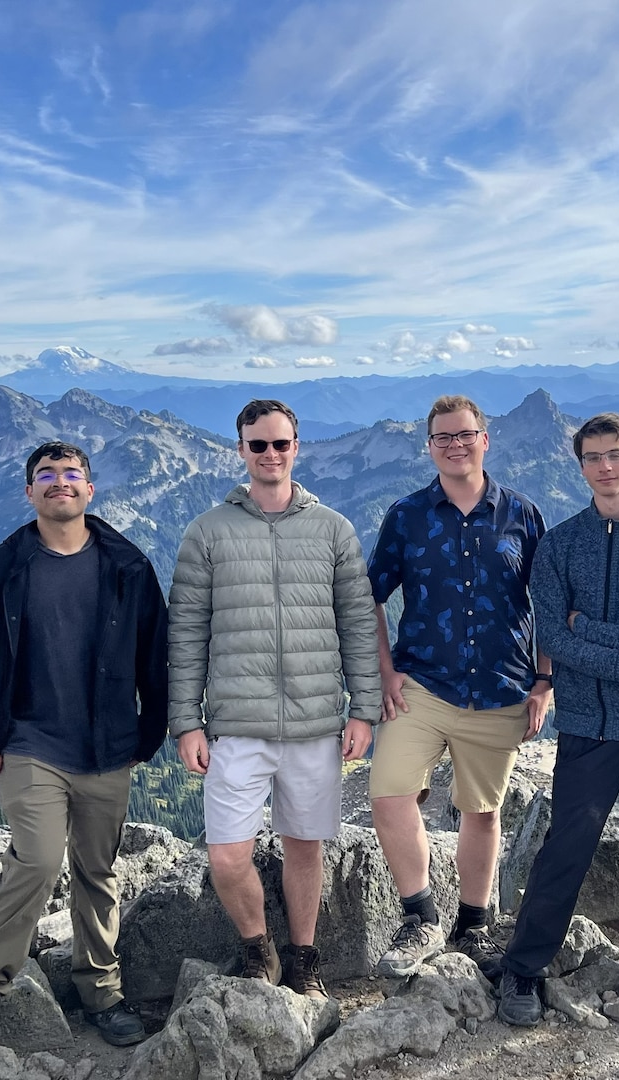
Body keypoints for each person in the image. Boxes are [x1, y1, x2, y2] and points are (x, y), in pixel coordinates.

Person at [0, 441, 168, 1047]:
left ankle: (102, 992)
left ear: (90, 490)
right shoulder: (2, 567)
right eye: (46, 475)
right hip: (27, 742)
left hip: (108, 746)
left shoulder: (127, 567)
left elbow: (158, 660)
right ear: (29, 492)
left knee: (97, 869)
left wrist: (151, 731)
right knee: (37, 859)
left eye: (71, 474)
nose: (59, 483)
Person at [168, 398, 381, 999]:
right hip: (235, 724)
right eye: (257, 444)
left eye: (280, 444)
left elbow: (358, 625)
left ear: (296, 447)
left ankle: (304, 957)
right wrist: (186, 721)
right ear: (240, 450)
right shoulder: (207, 531)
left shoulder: (334, 528)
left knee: (305, 848)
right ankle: (257, 950)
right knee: (227, 855)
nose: (269, 454)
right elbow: (185, 630)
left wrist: (362, 709)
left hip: (316, 722)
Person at [495, 412, 619, 1027]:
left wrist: (590, 633)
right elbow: (552, 636)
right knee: (565, 849)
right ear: (580, 466)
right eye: (592, 457)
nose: (605, 467)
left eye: (615, 454)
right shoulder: (560, 544)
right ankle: (523, 969)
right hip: (589, 724)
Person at [365, 395, 551, 977]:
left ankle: (473, 925)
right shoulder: (407, 515)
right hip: (420, 682)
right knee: (389, 794)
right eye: (442, 437)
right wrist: (383, 670)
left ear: (484, 440)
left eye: (464, 435)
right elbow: (370, 595)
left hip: (501, 688)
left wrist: (544, 681)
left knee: (482, 812)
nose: (454, 445)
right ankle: (420, 916)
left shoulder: (522, 515)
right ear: (429, 447)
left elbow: (550, 605)